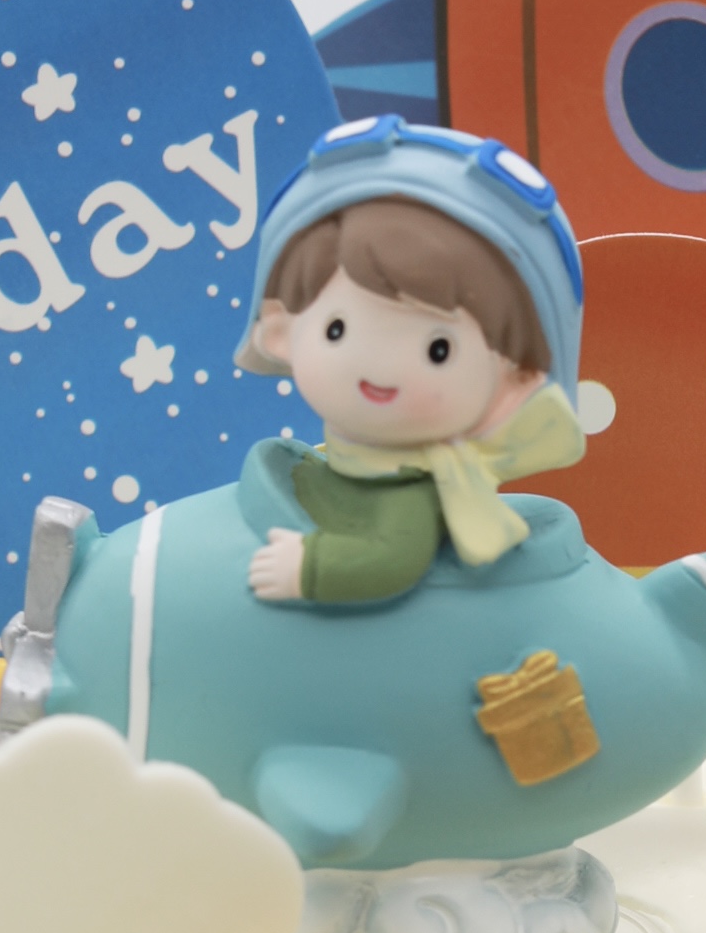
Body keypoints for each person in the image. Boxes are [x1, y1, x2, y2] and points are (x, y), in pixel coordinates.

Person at [236, 120, 590, 606]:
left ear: (515, 382)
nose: (380, 368)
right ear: (279, 331)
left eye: (437, 350)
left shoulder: (406, 496)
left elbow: (394, 559)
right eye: (337, 329)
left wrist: (309, 568)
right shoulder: (356, 456)